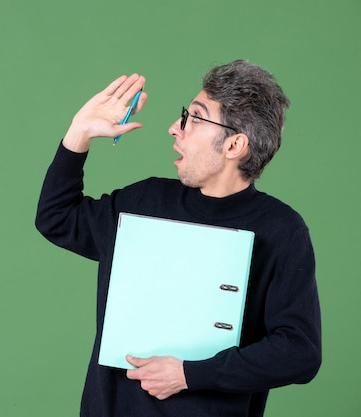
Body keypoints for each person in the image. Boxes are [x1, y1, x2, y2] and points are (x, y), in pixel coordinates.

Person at [35, 60, 321, 417]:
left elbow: (299, 353)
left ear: (234, 145)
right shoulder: (143, 201)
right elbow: (56, 218)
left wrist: (189, 374)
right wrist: (79, 133)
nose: (175, 128)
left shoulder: (281, 230)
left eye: (195, 118)